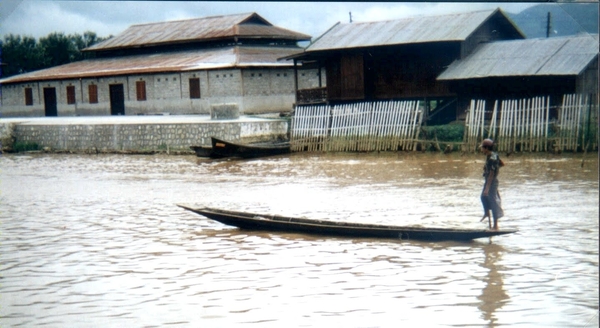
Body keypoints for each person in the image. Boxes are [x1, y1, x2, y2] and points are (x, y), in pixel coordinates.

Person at [480, 138, 504, 230]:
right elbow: (502, 164)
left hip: (492, 182)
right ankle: (486, 213)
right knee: (483, 197)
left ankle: (495, 225)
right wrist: (488, 168)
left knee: (493, 201)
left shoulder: (492, 158)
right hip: (489, 181)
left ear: (486, 148)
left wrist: (487, 188)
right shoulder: (491, 155)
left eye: (482, 148)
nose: (482, 149)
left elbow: (491, 174)